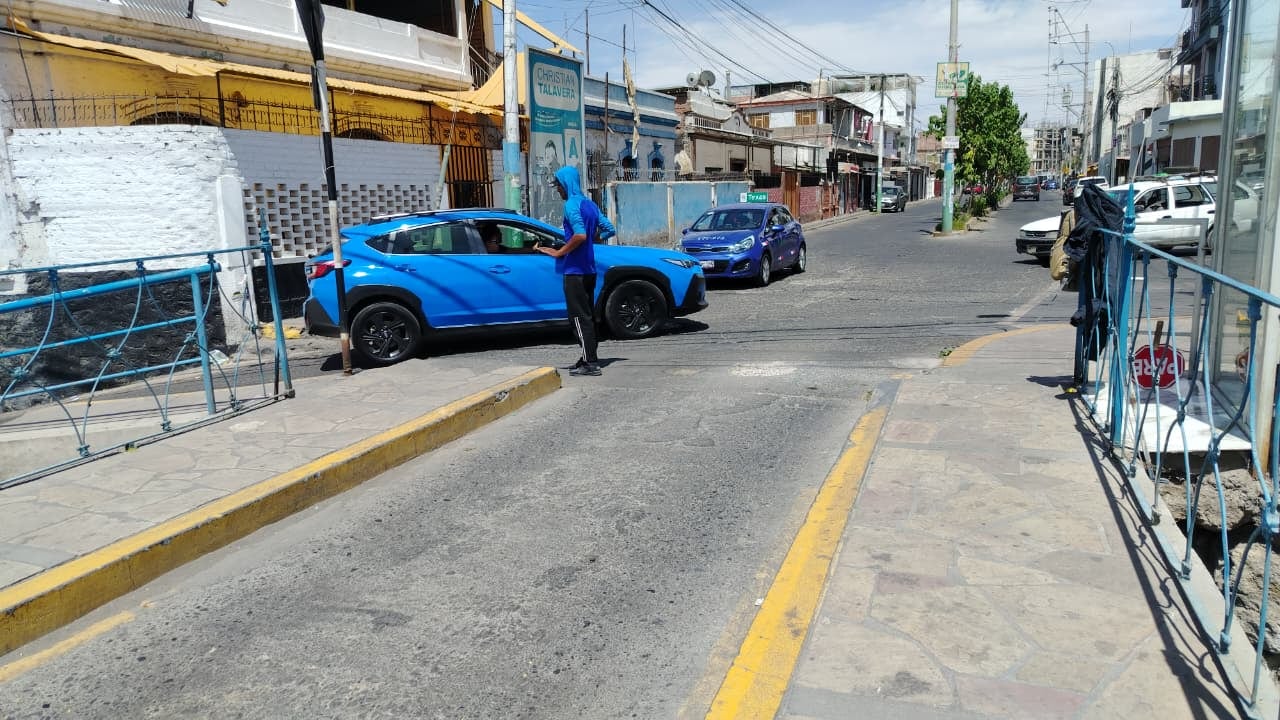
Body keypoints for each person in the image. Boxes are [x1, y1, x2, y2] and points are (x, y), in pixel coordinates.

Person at [536, 165, 616, 376]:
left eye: (558, 185)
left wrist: (559, 252)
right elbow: (609, 229)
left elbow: (579, 235)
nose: (557, 190)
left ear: (566, 183)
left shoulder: (571, 205)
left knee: (579, 318)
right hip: (589, 270)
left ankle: (591, 363)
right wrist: (592, 239)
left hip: (575, 271)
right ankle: (587, 356)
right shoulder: (590, 204)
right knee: (587, 316)